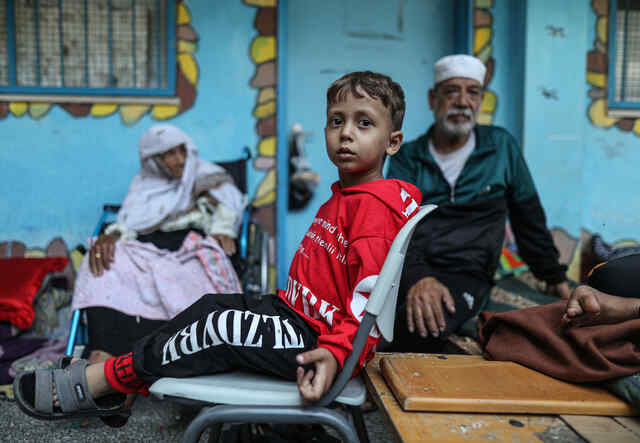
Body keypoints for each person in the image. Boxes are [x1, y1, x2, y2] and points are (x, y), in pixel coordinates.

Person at [14, 71, 422, 423]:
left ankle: (108, 380)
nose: (346, 132)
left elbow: (366, 301)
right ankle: (122, 385)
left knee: (217, 329)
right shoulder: (345, 197)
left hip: (316, 342)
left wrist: (335, 355)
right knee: (210, 306)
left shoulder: (373, 211)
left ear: (393, 141)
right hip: (294, 316)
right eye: (337, 121)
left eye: (364, 123)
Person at [387, 54, 570, 353]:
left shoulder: (501, 147)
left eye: (472, 92)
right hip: (413, 268)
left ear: (481, 101)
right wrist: (418, 278)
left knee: (423, 326)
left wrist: (554, 276)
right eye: (451, 91)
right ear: (433, 99)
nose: (462, 101)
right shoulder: (408, 157)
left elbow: (528, 218)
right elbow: (395, 226)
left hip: (467, 273)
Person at [71, 124, 246, 363]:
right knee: (105, 261)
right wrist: (112, 235)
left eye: (182, 151)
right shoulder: (144, 184)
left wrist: (223, 230)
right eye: (170, 154)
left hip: (191, 240)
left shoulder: (206, 176)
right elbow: (129, 221)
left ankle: (171, 352)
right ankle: (105, 353)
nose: (180, 160)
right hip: (147, 241)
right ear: (155, 160)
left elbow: (229, 208)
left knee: (196, 271)